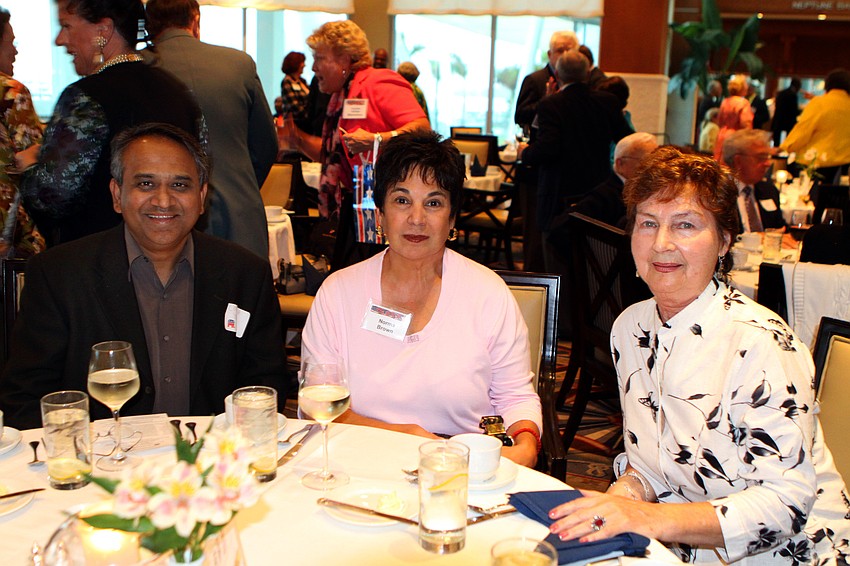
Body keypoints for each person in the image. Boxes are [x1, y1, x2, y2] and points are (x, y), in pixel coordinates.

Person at [546, 146, 850, 564]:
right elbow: (650, 464)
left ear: (724, 242)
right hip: (681, 544)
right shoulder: (630, 329)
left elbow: (785, 507)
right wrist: (622, 500)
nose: (661, 243)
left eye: (685, 225)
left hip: (792, 555)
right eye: (647, 223)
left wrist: (647, 520)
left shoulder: (760, 344)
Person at [0, 123, 287, 430]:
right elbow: (25, 399)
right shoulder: (59, 275)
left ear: (202, 196)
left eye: (180, 186)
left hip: (210, 464)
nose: (163, 201)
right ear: (117, 194)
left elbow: (267, 389)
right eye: (146, 184)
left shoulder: (245, 275)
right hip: (103, 466)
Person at [301, 131, 542, 468]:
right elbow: (317, 407)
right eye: (401, 200)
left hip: (461, 468)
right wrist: (406, 437)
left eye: (433, 202)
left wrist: (526, 443)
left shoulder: (488, 293)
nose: (417, 218)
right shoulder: (338, 294)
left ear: (452, 218)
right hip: (357, 464)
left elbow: (514, 396)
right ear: (380, 213)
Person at [17, 0, 204, 248]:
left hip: (99, 262)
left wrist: (29, 167)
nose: (60, 39)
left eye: (66, 26)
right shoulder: (178, 92)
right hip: (171, 259)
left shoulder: (84, 98)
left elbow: (52, 198)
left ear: (103, 31)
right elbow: (200, 174)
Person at [283, 20, 428, 266]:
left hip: (379, 207)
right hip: (352, 207)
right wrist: (297, 140)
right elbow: (334, 156)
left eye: (319, 58)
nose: (314, 67)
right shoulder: (341, 96)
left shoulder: (377, 82)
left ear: (344, 60)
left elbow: (422, 129)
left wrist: (376, 140)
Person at [145, 0, 277, 260]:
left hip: (163, 217)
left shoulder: (139, 69)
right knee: (240, 296)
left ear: (150, 25)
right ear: (195, 20)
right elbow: (266, 147)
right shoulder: (239, 64)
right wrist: (240, 187)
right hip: (238, 214)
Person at [0, 7, 44, 258]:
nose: (15, 50)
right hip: (8, 241)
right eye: (10, 42)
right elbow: (34, 164)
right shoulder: (10, 94)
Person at [571, 132, 658, 229]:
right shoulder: (602, 197)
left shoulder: (648, 191)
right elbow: (562, 228)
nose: (651, 167)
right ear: (620, 163)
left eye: (655, 162)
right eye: (645, 161)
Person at [781, 68, 850, 183]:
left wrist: (787, 147)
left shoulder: (819, 103)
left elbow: (803, 131)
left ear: (827, 85)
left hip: (817, 166)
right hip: (844, 168)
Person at [514, 30, 578, 134]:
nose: (565, 55)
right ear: (549, 54)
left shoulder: (581, 82)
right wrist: (545, 101)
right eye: (560, 50)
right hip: (541, 140)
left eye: (569, 50)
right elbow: (520, 117)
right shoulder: (534, 80)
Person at [722, 129, 786, 232]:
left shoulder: (768, 190)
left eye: (767, 157)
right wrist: (755, 239)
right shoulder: (718, 193)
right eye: (761, 158)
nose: (768, 163)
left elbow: (780, 228)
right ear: (738, 161)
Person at [713, 75, 753, 161]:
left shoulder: (725, 101)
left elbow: (719, 121)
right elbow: (746, 124)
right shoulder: (743, 103)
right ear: (742, 88)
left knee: (720, 163)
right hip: (736, 137)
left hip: (722, 135)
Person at [280, 51, 310, 131]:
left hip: (306, 124)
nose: (304, 65)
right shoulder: (287, 82)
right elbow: (294, 107)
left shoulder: (303, 81)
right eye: (302, 62)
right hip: (295, 126)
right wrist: (309, 114)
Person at [772, 78, 801, 147]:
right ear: (797, 86)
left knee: (776, 144)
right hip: (788, 123)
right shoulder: (793, 95)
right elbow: (793, 111)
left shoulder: (781, 93)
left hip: (778, 121)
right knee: (786, 144)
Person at [695, 79, 722, 145]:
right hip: (706, 127)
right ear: (713, 89)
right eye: (720, 88)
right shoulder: (708, 100)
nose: (721, 90)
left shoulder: (709, 99)